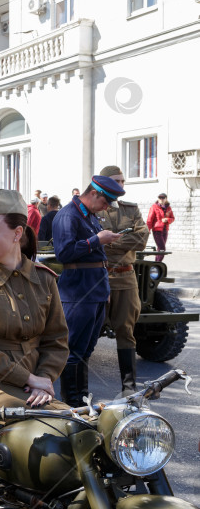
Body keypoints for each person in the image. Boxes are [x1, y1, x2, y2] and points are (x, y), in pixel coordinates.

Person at [0, 189, 69, 409]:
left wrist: (42, 379)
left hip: (34, 386)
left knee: (80, 428)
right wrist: (28, 378)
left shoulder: (44, 278)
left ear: (17, 233)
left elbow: (56, 340)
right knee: (60, 425)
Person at [52, 176, 124, 407]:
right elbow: (64, 253)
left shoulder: (89, 215)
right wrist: (97, 240)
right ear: (93, 193)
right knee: (73, 349)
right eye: (105, 202)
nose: (107, 207)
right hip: (78, 291)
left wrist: (105, 289)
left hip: (95, 290)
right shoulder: (68, 215)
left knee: (86, 349)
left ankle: (81, 400)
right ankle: (72, 403)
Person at [98, 166, 149, 396]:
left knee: (126, 331)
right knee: (87, 331)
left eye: (122, 180)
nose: (121, 185)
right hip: (99, 276)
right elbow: (89, 240)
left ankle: (129, 389)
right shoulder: (93, 210)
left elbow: (141, 238)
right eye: (116, 181)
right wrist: (121, 239)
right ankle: (77, 391)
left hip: (126, 278)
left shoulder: (131, 209)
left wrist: (108, 241)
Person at [147, 193, 174, 262]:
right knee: (162, 248)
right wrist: (148, 229)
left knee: (160, 249)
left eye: (163, 198)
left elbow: (172, 218)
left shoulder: (168, 208)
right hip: (157, 230)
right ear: (158, 199)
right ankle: (158, 264)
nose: (161, 199)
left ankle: (156, 265)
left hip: (165, 230)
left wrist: (167, 220)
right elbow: (150, 219)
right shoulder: (154, 207)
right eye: (160, 198)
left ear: (166, 199)